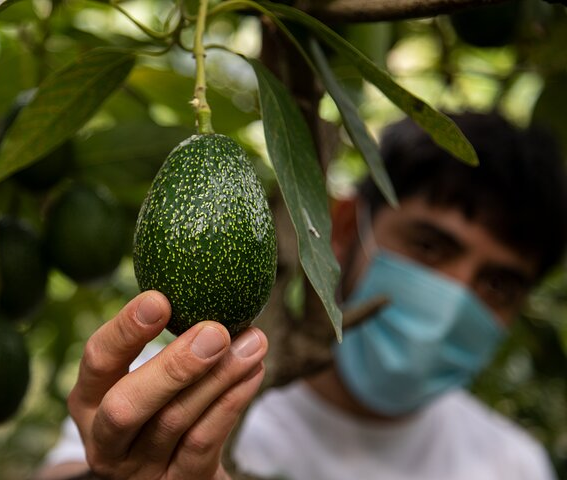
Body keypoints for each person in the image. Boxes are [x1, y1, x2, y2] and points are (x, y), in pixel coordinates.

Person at [35, 112, 567, 480]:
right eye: (429, 246)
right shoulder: (177, 386)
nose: (454, 297)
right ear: (342, 226)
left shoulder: (512, 465)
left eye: (498, 284)